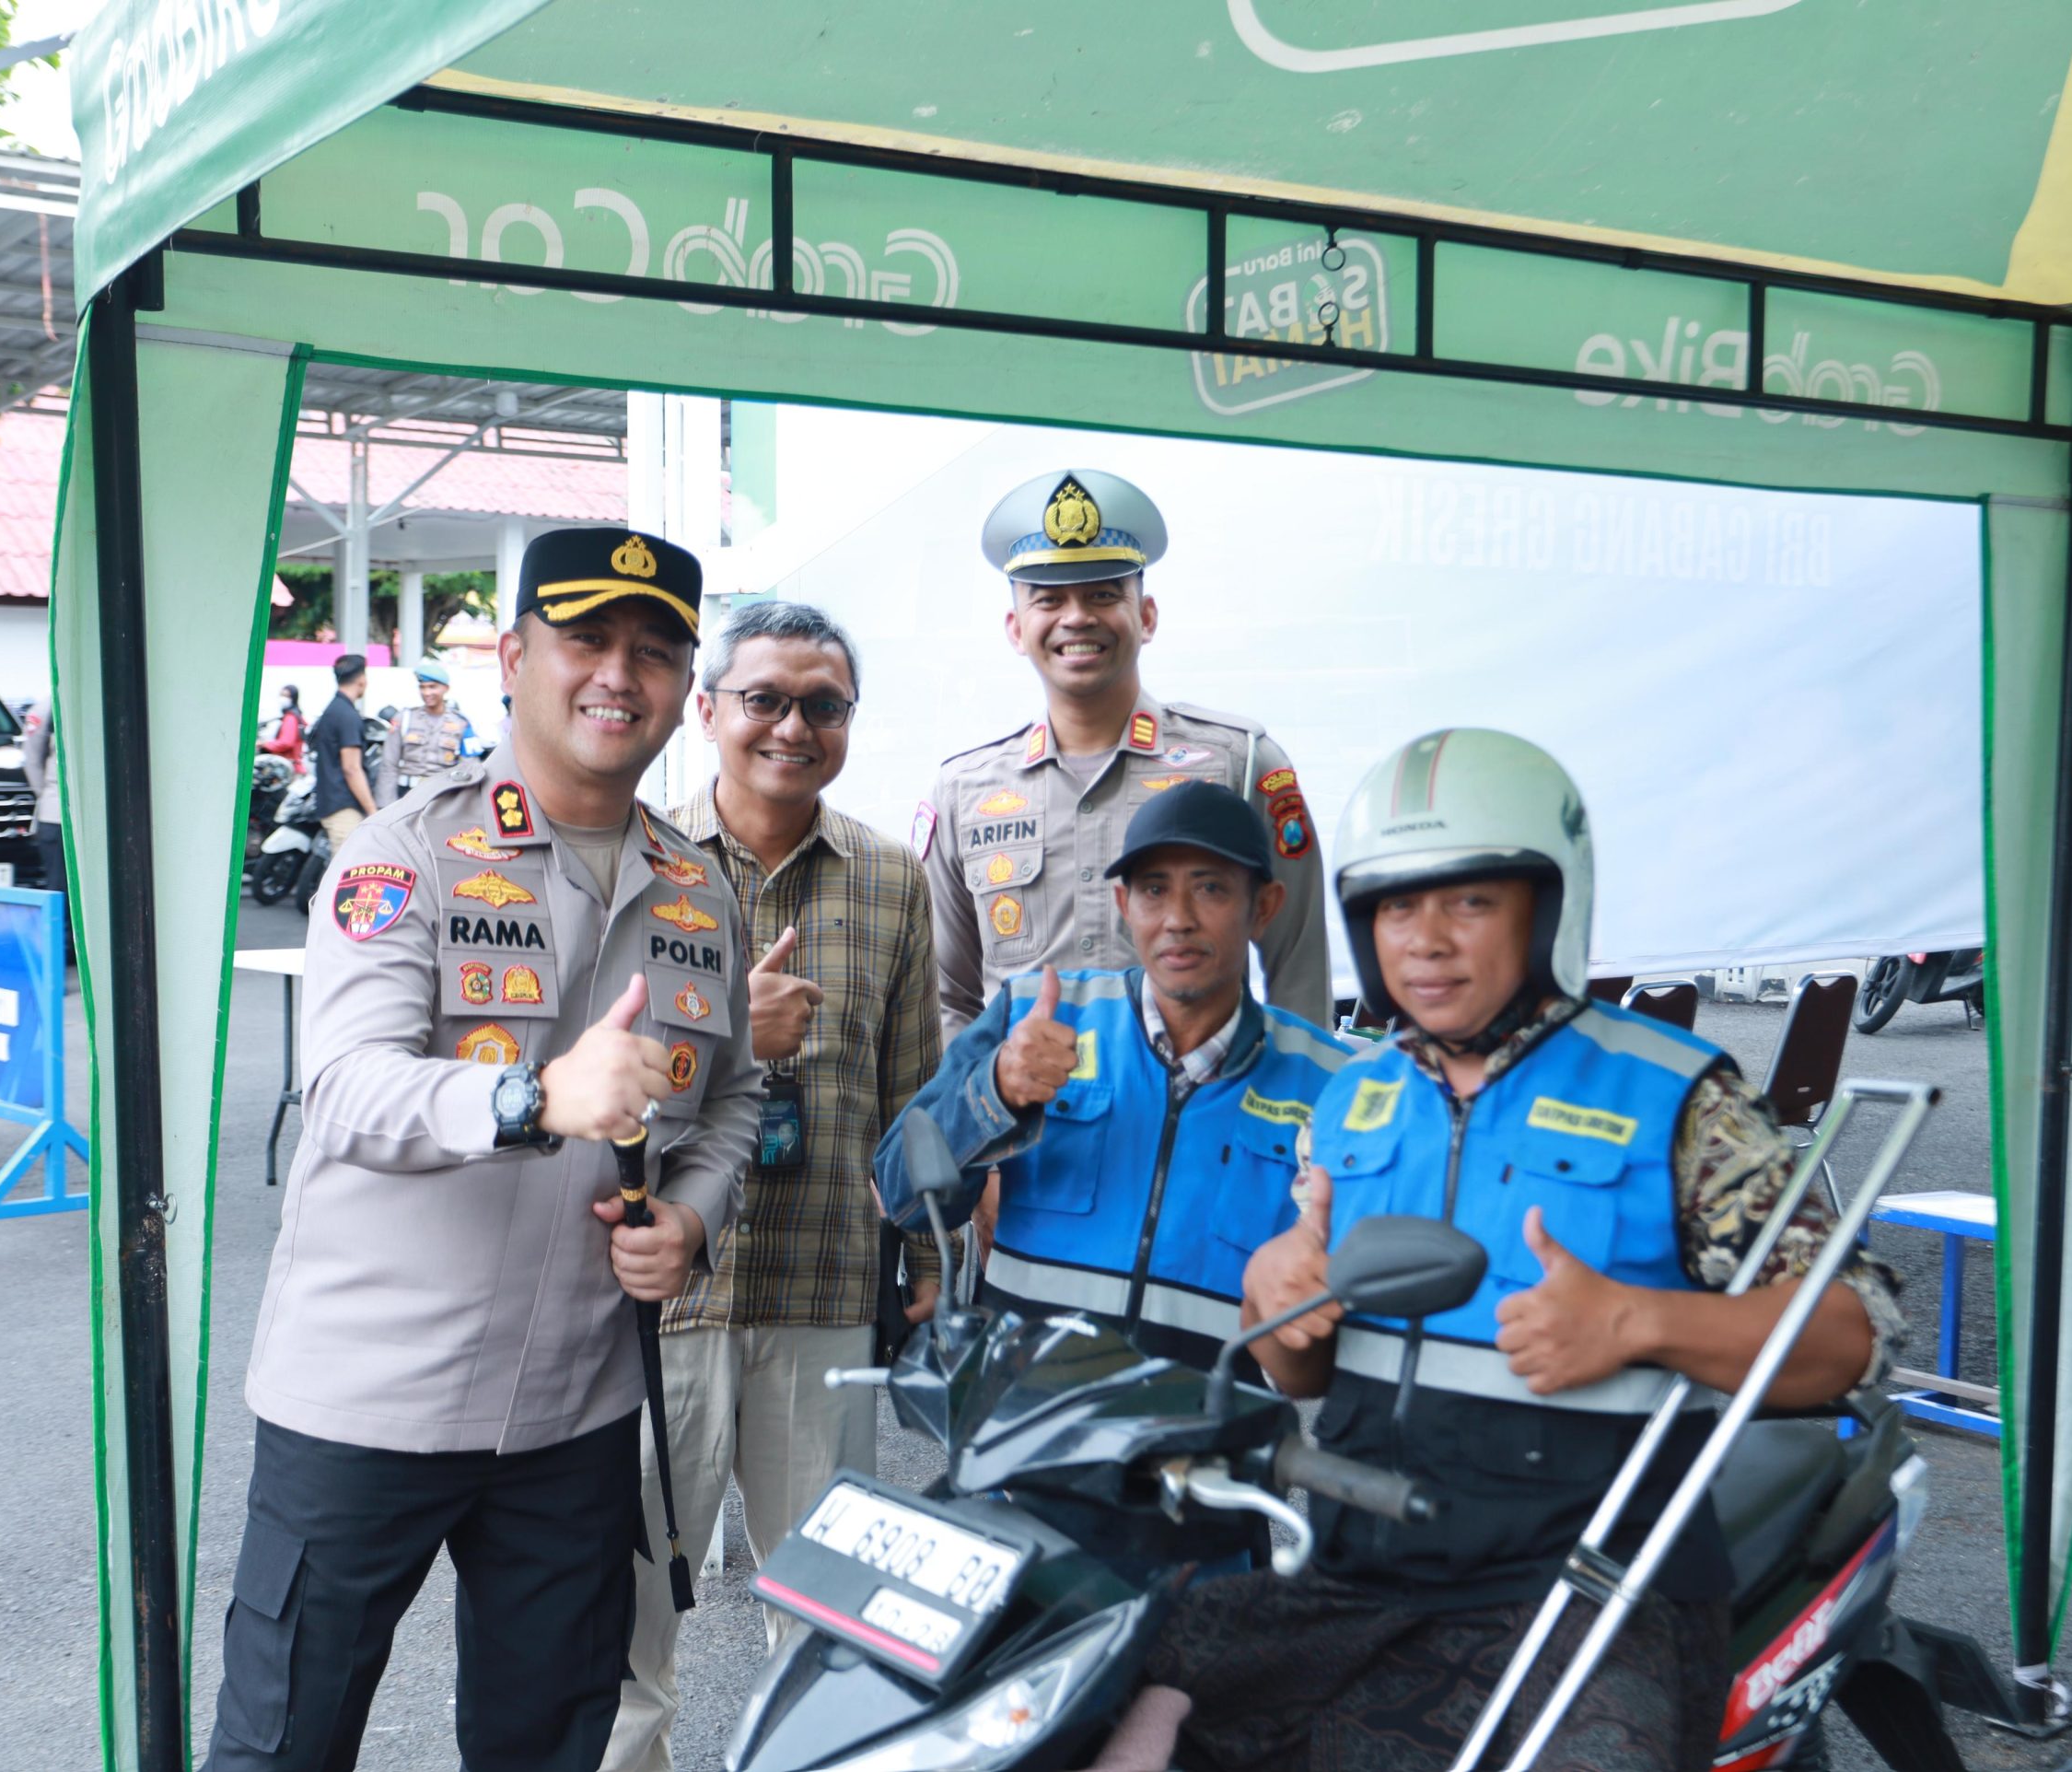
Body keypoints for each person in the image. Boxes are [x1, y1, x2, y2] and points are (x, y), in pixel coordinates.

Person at [1112, 729, 1907, 1772]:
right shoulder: (1350, 1101)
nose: (1427, 941)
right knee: (1099, 1695)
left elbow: (1855, 1337)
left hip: (1592, 1594)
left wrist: (1638, 1321)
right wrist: (1278, 1300)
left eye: (1471, 902)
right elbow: (1303, 1372)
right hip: (1362, 1576)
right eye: (1397, 907)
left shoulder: (1674, 1095)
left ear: (1549, 907)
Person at [203, 528, 762, 1772]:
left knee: (549, 1745)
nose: (618, 674)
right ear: (514, 659)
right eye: (587, 640)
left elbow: (732, 1100)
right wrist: (530, 1098)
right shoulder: (404, 851)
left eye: (654, 651)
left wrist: (693, 1216)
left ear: (685, 686)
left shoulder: (697, 888)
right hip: (370, 1399)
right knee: (284, 1744)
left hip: (575, 1409)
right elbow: (342, 1087)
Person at [603, 601, 944, 1771]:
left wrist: (929, 1258)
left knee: (832, 1633)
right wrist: (731, 1039)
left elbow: (913, 1093)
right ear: (708, 710)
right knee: (624, 1630)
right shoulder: (635, 860)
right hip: (660, 1302)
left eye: (822, 705)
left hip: (822, 1292)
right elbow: (586, 1079)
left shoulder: (891, 880)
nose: (792, 727)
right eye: (765, 699)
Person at [877, 781, 1354, 1380]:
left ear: (1264, 906)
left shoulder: (1329, 1081)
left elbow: (1341, 1333)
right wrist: (993, 1091)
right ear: (1124, 904)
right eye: (1154, 890)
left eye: (1210, 888)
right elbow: (900, 1195)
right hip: (1021, 1423)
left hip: (1212, 1430)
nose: (1178, 919)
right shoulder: (1030, 1015)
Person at [918, 469, 1333, 1037]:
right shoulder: (965, 791)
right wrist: (981, 1088)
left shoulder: (1240, 763)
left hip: (1198, 1092)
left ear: (1147, 616)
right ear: (1016, 629)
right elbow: (945, 997)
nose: (1076, 617)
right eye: (1049, 600)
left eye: (1103, 594)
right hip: (1027, 1095)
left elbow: (1299, 969)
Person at [375, 658, 479, 801]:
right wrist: (385, 804)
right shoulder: (404, 719)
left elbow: (469, 767)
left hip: (442, 796)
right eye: (422, 687)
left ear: (446, 688)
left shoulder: (461, 723)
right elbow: (389, 764)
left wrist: (464, 803)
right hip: (407, 794)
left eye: (432, 687)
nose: (426, 692)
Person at [309, 652, 376, 853]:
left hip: (331, 802)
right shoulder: (348, 716)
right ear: (362, 680)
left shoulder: (333, 710)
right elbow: (351, 768)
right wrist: (372, 811)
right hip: (344, 808)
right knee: (347, 868)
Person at [260, 684, 307, 763]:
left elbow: (286, 743)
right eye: (281, 695)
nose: (282, 698)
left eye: (286, 696)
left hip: (289, 763)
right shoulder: (293, 716)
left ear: (293, 698)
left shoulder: (291, 717)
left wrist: (264, 744)